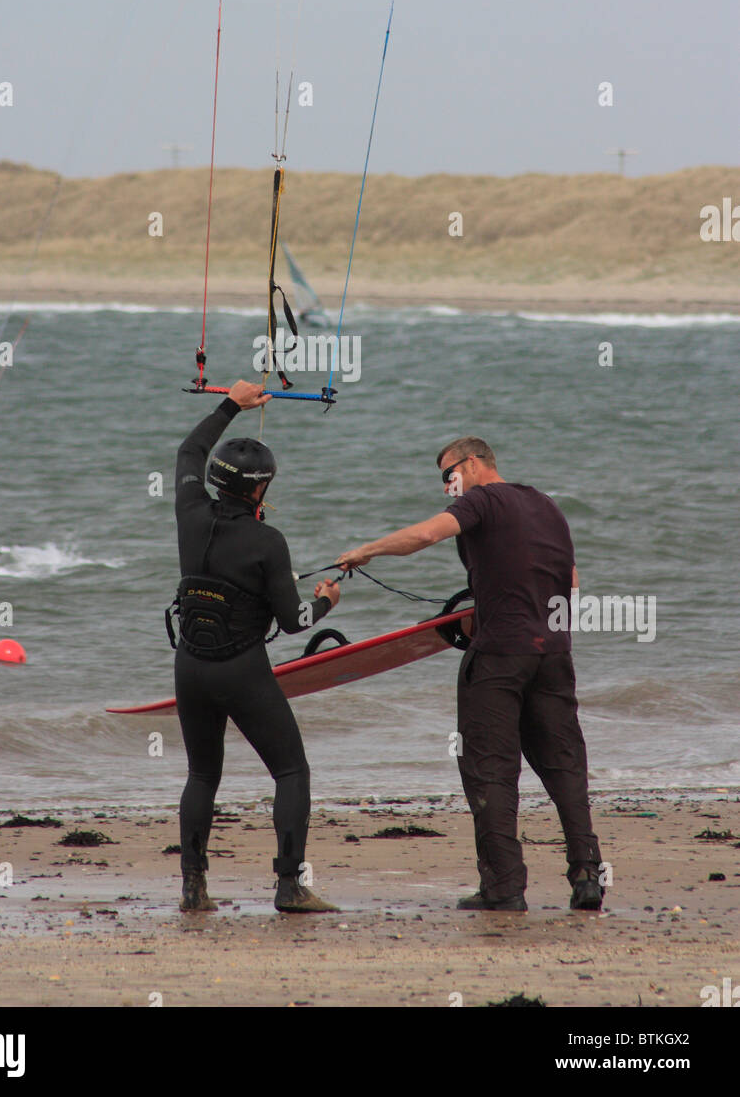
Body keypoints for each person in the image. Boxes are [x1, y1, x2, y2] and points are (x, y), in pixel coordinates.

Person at [337, 437, 603, 913]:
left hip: (500, 656)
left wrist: (367, 551)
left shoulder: (482, 499)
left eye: (449, 475)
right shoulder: (546, 505)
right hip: (554, 653)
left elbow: (425, 536)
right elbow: (573, 582)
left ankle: (504, 888)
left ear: (475, 464)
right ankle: (586, 877)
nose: (447, 486)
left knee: (490, 769)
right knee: (565, 766)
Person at [173, 380, 341, 914]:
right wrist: (326, 605)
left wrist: (230, 404)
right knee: (291, 771)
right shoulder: (269, 542)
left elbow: (188, 452)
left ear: (218, 480)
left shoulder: (189, 510)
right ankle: (289, 886)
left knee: (202, 773)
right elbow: (294, 622)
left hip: (190, 666)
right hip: (241, 670)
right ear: (261, 491)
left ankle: (193, 888)